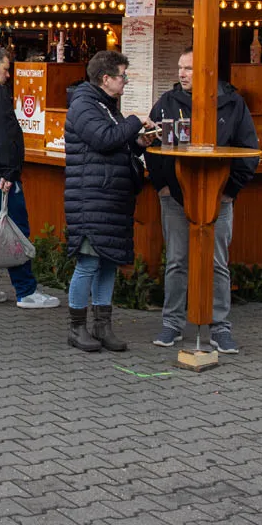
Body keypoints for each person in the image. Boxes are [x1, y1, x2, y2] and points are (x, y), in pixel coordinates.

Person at [147, 47, 260, 354]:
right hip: (175, 197)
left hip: (218, 197)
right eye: (180, 68)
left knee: (217, 263)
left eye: (188, 69)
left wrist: (229, 190)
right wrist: (162, 186)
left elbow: (249, 151)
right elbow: (151, 144)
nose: (181, 74)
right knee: (177, 262)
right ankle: (172, 324)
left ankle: (220, 328)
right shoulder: (167, 103)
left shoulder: (233, 104)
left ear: (206, 72)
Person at [63, 50, 157, 353]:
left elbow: (115, 142)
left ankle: (103, 325)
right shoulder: (84, 105)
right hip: (91, 199)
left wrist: (139, 142)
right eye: (122, 76)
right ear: (106, 78)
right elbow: (104, 139)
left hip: (108, 198)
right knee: (88, 262)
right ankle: (77, 328)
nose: (125, 82)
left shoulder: (104, 105)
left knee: (108, 262)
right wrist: (134, 121)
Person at [0, 46, 61, 310]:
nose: (8, 75)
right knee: (14, 230)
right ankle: (25, 291)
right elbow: (3, 135)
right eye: (6, 69)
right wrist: (9, 171)